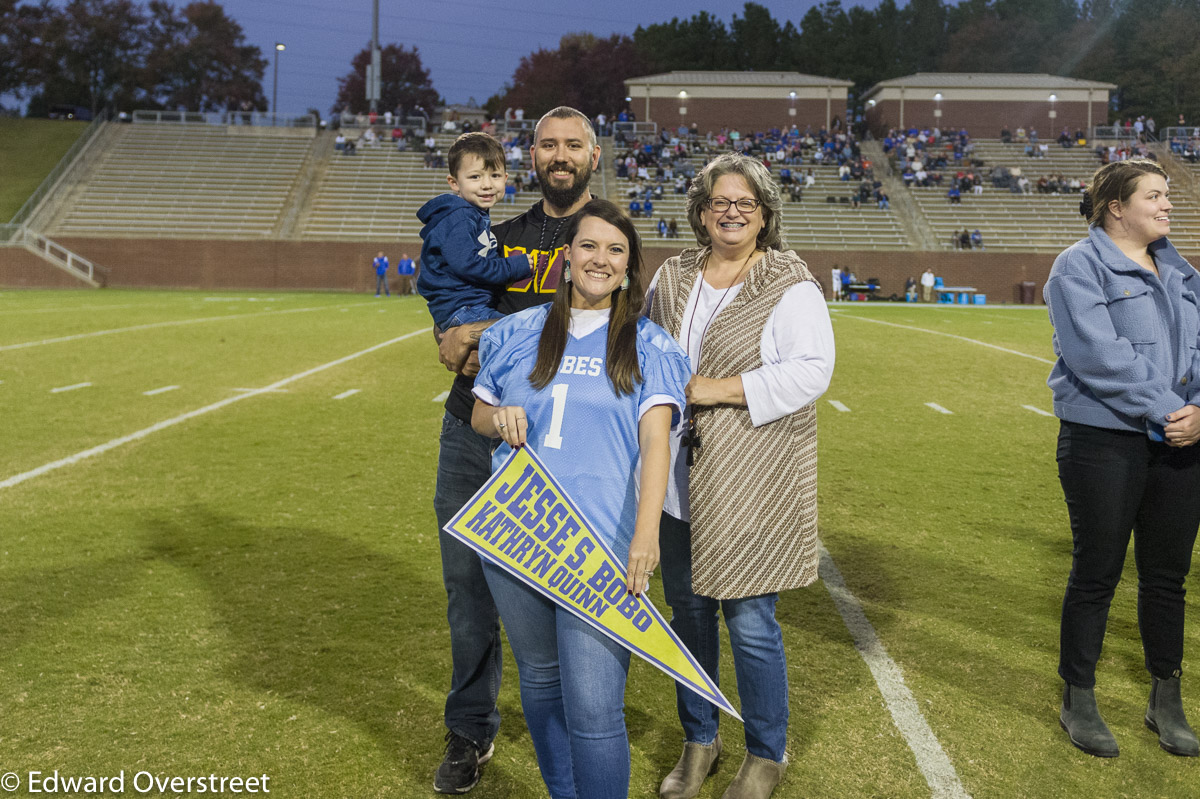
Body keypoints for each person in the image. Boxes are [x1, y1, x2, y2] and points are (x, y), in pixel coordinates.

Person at [472, 199, 689, 799]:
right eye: (589, 246)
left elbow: (656, 446)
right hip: (516, 533)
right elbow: (479, 413)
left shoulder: (650, 344)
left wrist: (646, 538)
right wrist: (500, 418)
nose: (600, 259)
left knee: (595, 710)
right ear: (567, 257)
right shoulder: (517, 331)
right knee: (540, 683)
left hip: (599, 546)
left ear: (628, 266)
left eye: (615, 250)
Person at [647, 153, 835, 799]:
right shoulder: (672, 276)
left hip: (749, 475)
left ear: (763, 214)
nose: (731, 212)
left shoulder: (788, 282)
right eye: (719, 202)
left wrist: (717, 388)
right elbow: (645, 350)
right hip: (673, 479)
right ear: (700, 212)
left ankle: (766, 750)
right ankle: (700, 737)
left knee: (751, 621)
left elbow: (812, 369)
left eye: (744, 204)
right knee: (688, 615)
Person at [430, 107, 602, 794]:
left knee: (571, 592)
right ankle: (470, 729)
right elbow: (454, 336)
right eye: (546, 144)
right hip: (475, 432)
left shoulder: (609, 235)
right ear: (530, 156)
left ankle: (579, 723)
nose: (559, 155)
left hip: (569, 437)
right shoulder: (495, 233)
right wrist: (461, 332)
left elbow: (617, 331)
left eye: (571, 145)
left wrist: (491, 336)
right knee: (468, 590)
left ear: (594, 153)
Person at [1046, 158, 1200, 759]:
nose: (1167, 206)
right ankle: (1078, 697)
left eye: (1167, 196)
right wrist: (1171, 412)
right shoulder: (1078, 266)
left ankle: (1167, 698)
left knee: (1168, 578)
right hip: (1103, 441)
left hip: (1183, 442)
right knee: (1097, 571)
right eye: (1155, 197)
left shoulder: (1180, 270)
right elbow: (1098, 357)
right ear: (1117, 206)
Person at [417, 132, 536, 331]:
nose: (487, 184)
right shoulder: (459, 217)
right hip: (463, 309)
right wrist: (514, 266)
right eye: (475, 177)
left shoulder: (473, 215)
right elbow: (468, 265)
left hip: (467, 307)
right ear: (454, 182)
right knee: (524, 333)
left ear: (505, 178)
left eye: (495, 175)